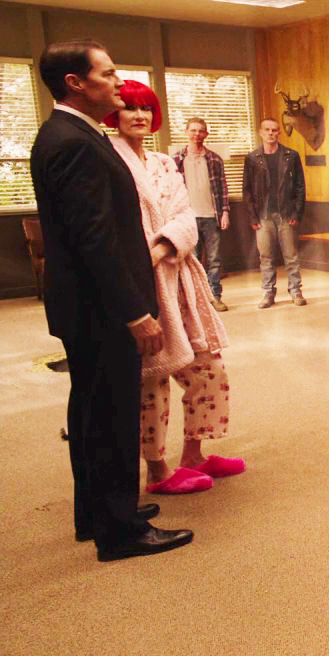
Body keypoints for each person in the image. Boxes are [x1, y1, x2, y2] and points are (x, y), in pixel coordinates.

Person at [30, 39, 192, 560]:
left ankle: (97, 513)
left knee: (91, 412)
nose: (119, 81)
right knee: (111, 418)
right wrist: (136, 312)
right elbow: (95, 239)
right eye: (108, 73)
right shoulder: (74, 142)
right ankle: (120, 532)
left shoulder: (71, 132)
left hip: (87, 306)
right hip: (101, 310)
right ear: (75, 83)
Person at [105, 81, 245, 494]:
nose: (139, 115)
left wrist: (163, 247)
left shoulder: (165, 163)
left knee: (209, 370)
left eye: (146, 108)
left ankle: (194, 455)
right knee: (153, 379)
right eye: (130, 107)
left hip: (178, 279)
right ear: (114, 113)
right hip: (140, 287)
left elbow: (186, 217)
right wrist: (142, 263)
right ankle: (157, 470)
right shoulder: (107, 159)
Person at [243, 117, 306, 309]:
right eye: (267, 130)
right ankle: (268, 293)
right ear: (261, 132)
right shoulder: (252, 158)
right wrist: (253, 216)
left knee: (291, 256)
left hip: (286, 214)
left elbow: (300, 187)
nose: (271, 133)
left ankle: (295, 291)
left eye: (274, 130)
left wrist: (296, 213)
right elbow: (247, 190)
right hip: (263, 216)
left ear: (279, 133)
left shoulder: (291, 156)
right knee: (266, 257)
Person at [172, 117, 229, 312]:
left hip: (211, 216)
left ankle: (215, 296)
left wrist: (225, 212)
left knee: (214, 260)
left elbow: (222, 188)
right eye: (193, 130)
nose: (197, 134)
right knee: (192, 261)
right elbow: (171, 190)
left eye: (201, 131)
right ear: (186, 132)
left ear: (206, 134)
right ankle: (196, 300)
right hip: (187, 218)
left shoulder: (214, 159)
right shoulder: (176, 160)